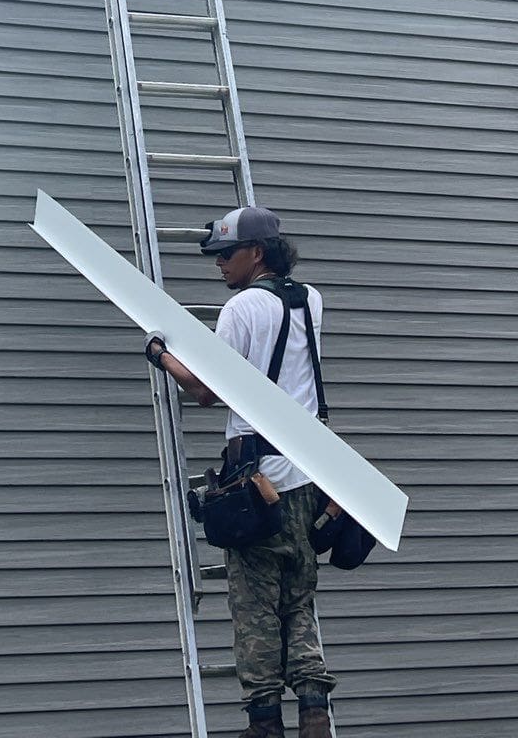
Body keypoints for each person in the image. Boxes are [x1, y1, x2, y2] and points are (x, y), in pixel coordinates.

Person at [144, 205, 336, 738]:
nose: (220, 265)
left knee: (254, 607)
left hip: (258, 482)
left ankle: (265, 722)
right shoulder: (309, 300)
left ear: (256, 253)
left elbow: (206, 391)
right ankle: (315, 708)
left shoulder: (241, 308)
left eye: (227, 254)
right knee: (299, 598)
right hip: (308, 476)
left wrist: (161, 355)